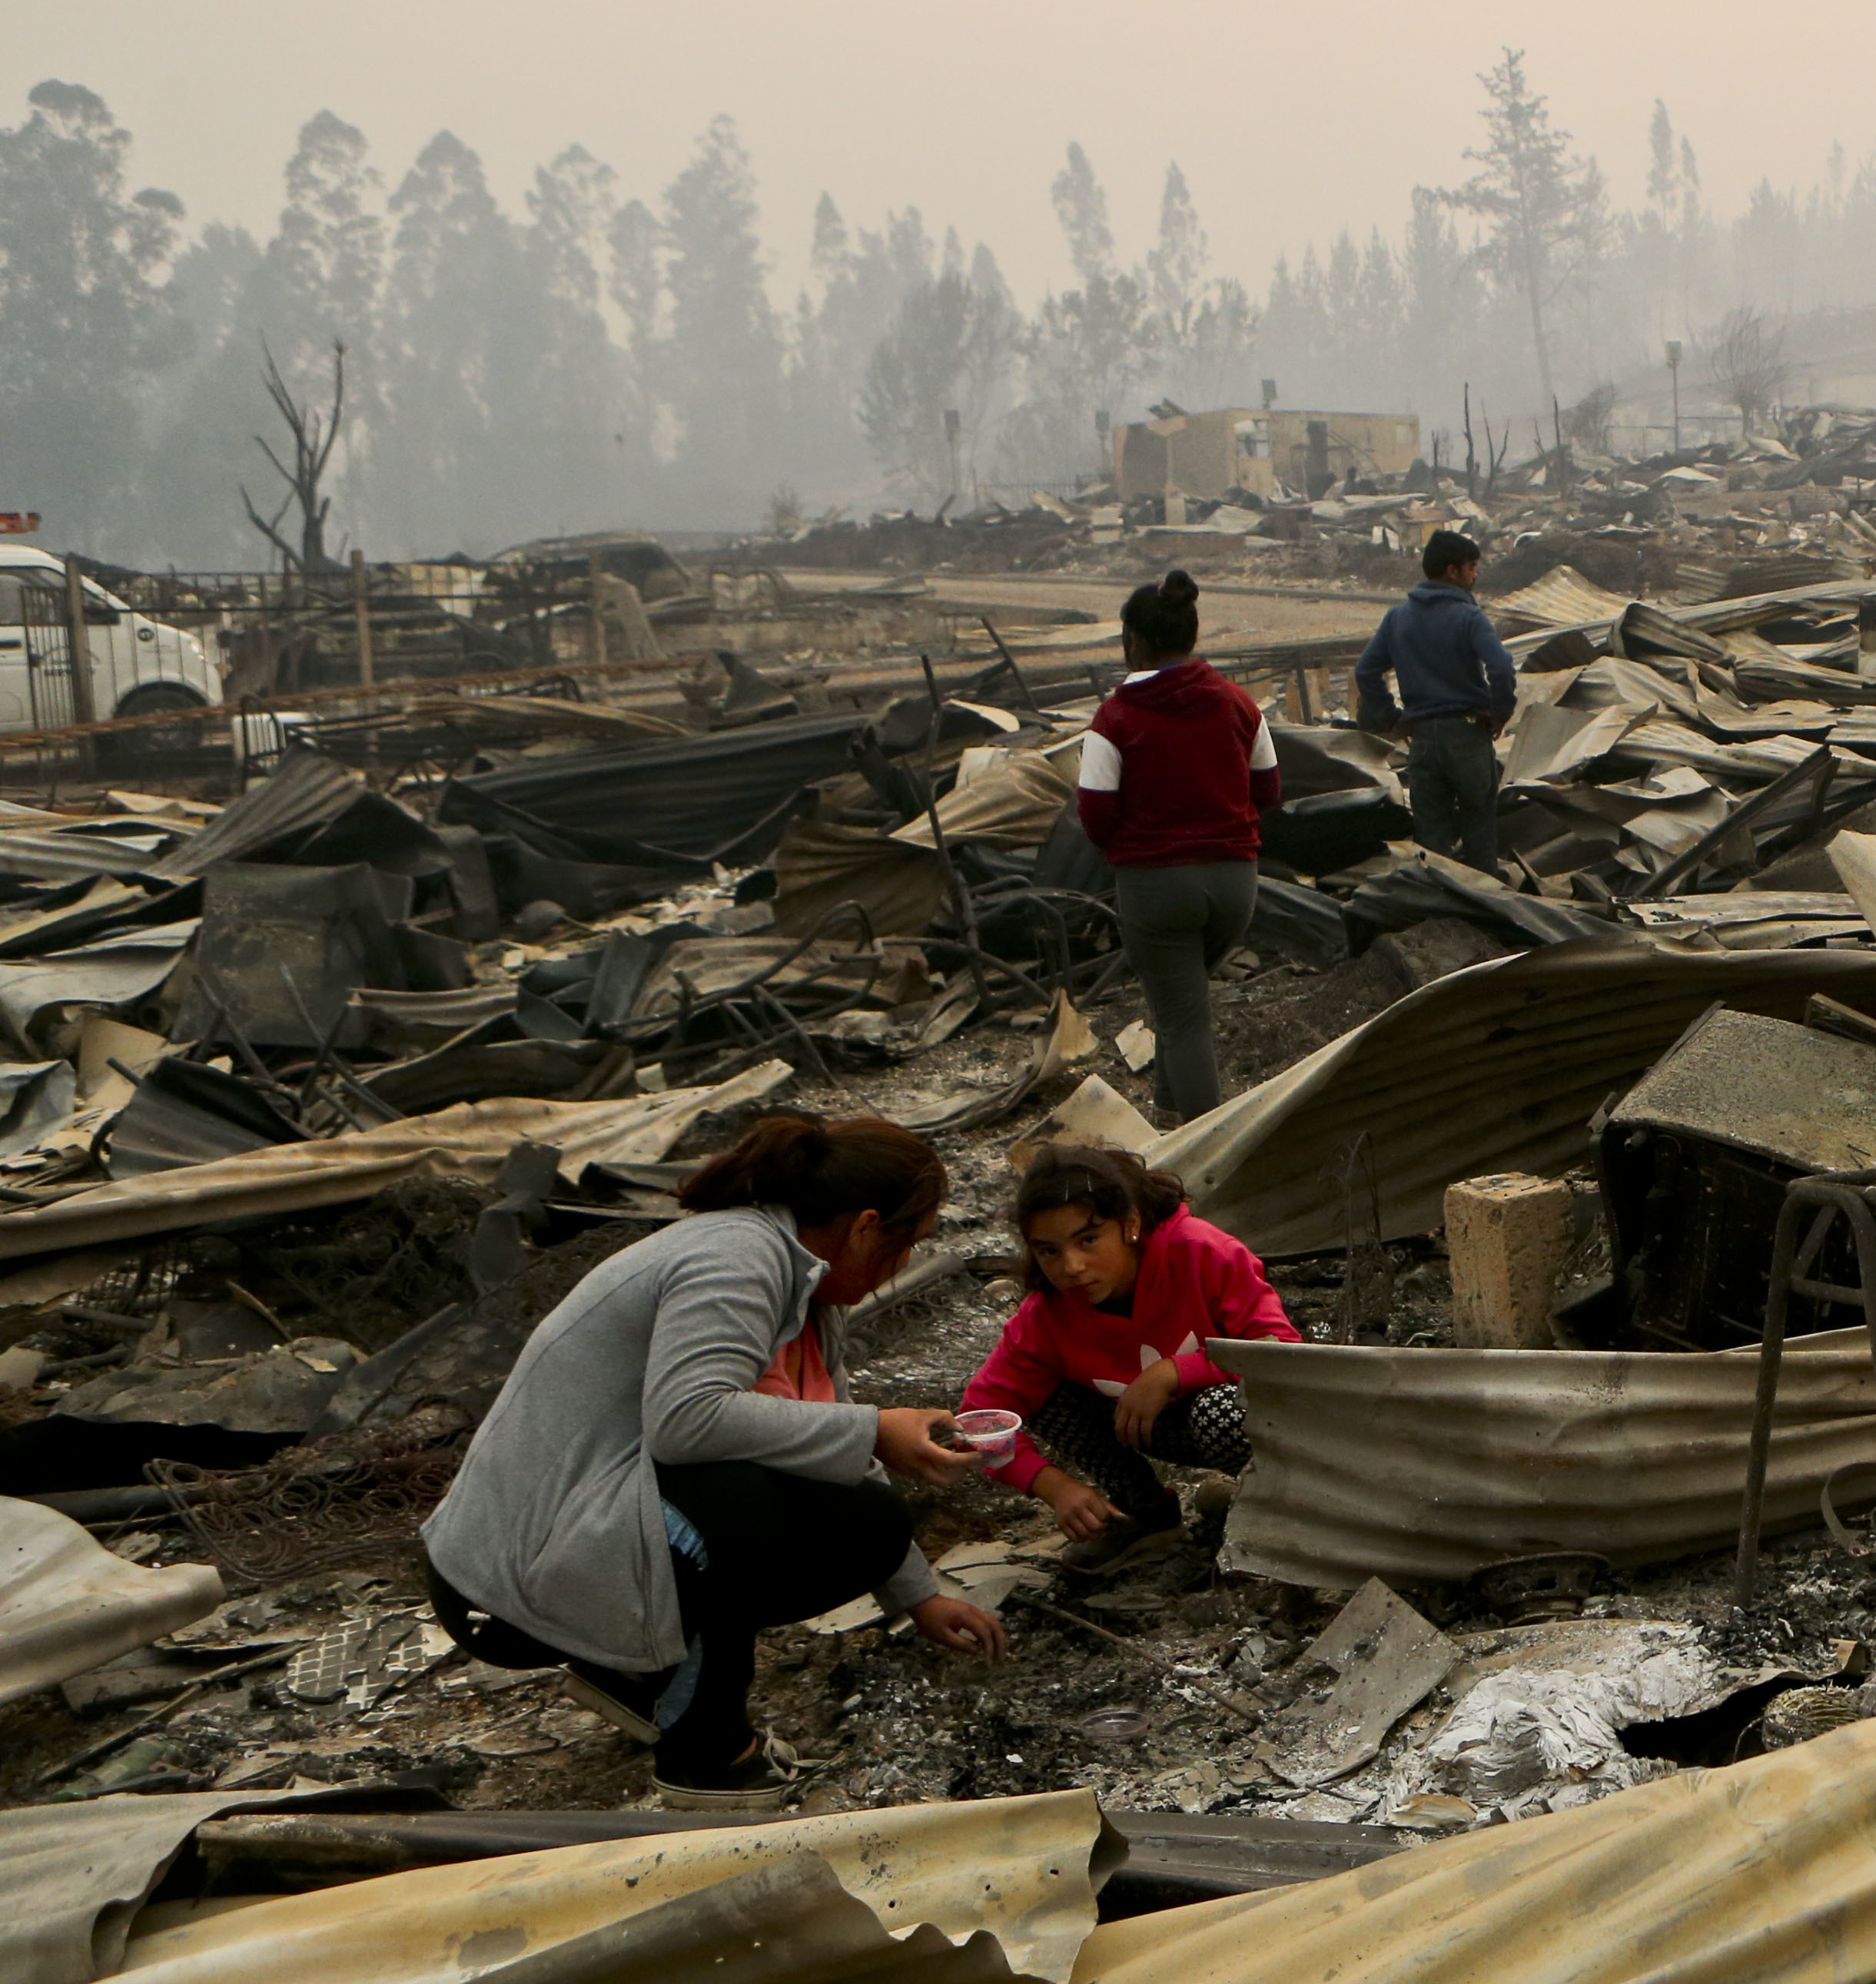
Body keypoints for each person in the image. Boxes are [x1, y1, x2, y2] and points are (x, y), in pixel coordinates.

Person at [420, 1112, 1005, 1811]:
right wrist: (877, 1429)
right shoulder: (736, 1260)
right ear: (865, 1228)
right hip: (502, 1588)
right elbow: (685, 1422)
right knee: (746, 1514)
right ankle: (706, 1756)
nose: (904, 1265)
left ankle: (637, 1674)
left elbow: (827, 1445)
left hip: (566, 1544)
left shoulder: (803, 1287)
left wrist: (919, 1592)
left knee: (863, 1523)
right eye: (910, 1243)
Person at [959, 1142, 1303, 1574]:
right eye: (1049, 1250)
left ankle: (1282, 1508)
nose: (1073, 1266)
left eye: (1088, 1239)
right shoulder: (1045, 1317)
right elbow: (977, 1420)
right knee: (1043, 1393)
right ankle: (1143, 1512)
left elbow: (1282, 1353)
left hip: (1238, 1424)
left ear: (1130, 1224)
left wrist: (1176, 1372)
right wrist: (1051, 1485)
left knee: (1219, 1415)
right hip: (1140, 1428)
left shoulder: (1200, 1252)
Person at [1079, 567, 1280, 1123]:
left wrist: (1133, 845)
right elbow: (1269, 788)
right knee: (1177, 1009)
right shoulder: (1239, 703)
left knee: (1185, 1021)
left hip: (1156, 886)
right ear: (1191, 636)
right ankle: (1167, 1125)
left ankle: (1204, 1160)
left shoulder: (1115, 717)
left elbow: (1094, 812)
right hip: (1235, 884)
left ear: (1131, 642)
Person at [1352, 526, 1517, 870]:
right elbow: (1501, 666)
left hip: (1422, 739)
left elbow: (1366, 671)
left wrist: (1390, 718)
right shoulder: (1470, 616)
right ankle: (1482, 908)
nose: (1475, 574)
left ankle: (1439, 912)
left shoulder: (1397, 618)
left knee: (1431, 837)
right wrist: (1499, 712)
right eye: (1471, 567)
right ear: (1452, 571)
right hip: (1468, 735)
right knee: (1479, 828)